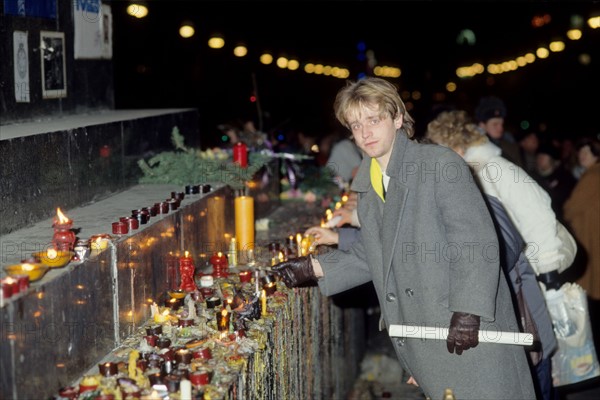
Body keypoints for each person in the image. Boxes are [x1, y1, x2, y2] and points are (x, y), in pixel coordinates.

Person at [273, 77, 536, 399]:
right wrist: (312, 268)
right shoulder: (369, 186)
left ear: (397, 119)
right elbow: (376, 254)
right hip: (425, 330)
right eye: (356, 125)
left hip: (465, 325)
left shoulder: (438, 164)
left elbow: (475, 241)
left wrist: (469, 311)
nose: (365, 133)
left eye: (374, 120)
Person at [424, 110, 577, 290]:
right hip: (509, 271)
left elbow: (537, 216)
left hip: (531, 268)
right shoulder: (462, 177)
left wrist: (548, 272)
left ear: (458, 145)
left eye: (444, 149)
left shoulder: (497, 169)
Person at [563, 137, 600, 301]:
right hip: (591, 231)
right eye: (580, 152)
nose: (582, 156)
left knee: (590, 280)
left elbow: (571, 208)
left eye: (587, 152)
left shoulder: (593, 175)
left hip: (590, 234)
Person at [474, 96, 525, 169]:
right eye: (495, 124)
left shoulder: (511, 148)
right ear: (482, 125)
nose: (501, 128)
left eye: (502, 124)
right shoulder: (474, 149)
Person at [535, 143, 577, 222]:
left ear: (552, 159)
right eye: (538, 156)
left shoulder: (565, 177)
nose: (540, 159)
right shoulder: (532, 177)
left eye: (544, 156)